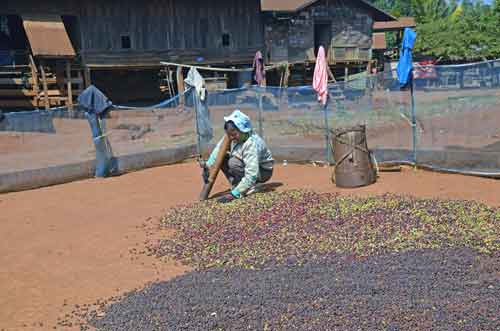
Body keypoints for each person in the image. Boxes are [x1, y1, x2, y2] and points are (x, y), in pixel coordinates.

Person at [203, 110, 274, 203]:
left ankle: (249, 188)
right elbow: (219, 150)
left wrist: (233, 195)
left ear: (243, 130)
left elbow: (252, 174)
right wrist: (208, 166)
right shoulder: (231, 135)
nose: (231, 138)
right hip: (245, 163)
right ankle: (238, 185)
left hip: (262, 171)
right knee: (223, 158)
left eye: (234, 134)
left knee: (233, 162)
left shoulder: (251, 143)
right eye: (229, 135)